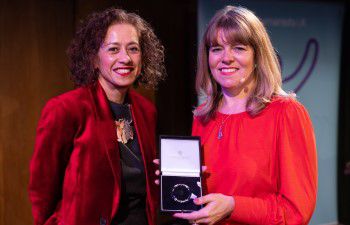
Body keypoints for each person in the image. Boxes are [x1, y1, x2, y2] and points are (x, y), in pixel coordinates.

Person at [173, 5, 317, 225]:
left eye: (238, 48)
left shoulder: (286, 113)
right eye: (216, 49)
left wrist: (233, 206)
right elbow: (201, 201)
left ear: (258, 56)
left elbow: (296, 212)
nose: (226, 58)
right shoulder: (202, 117)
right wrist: (174, 181)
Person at [28, 8, 165, 225]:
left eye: (133, 49)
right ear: (93, 58)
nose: (125, 58)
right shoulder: (65, 109)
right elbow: (42, 190)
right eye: (113, 49)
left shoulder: (146, 111)